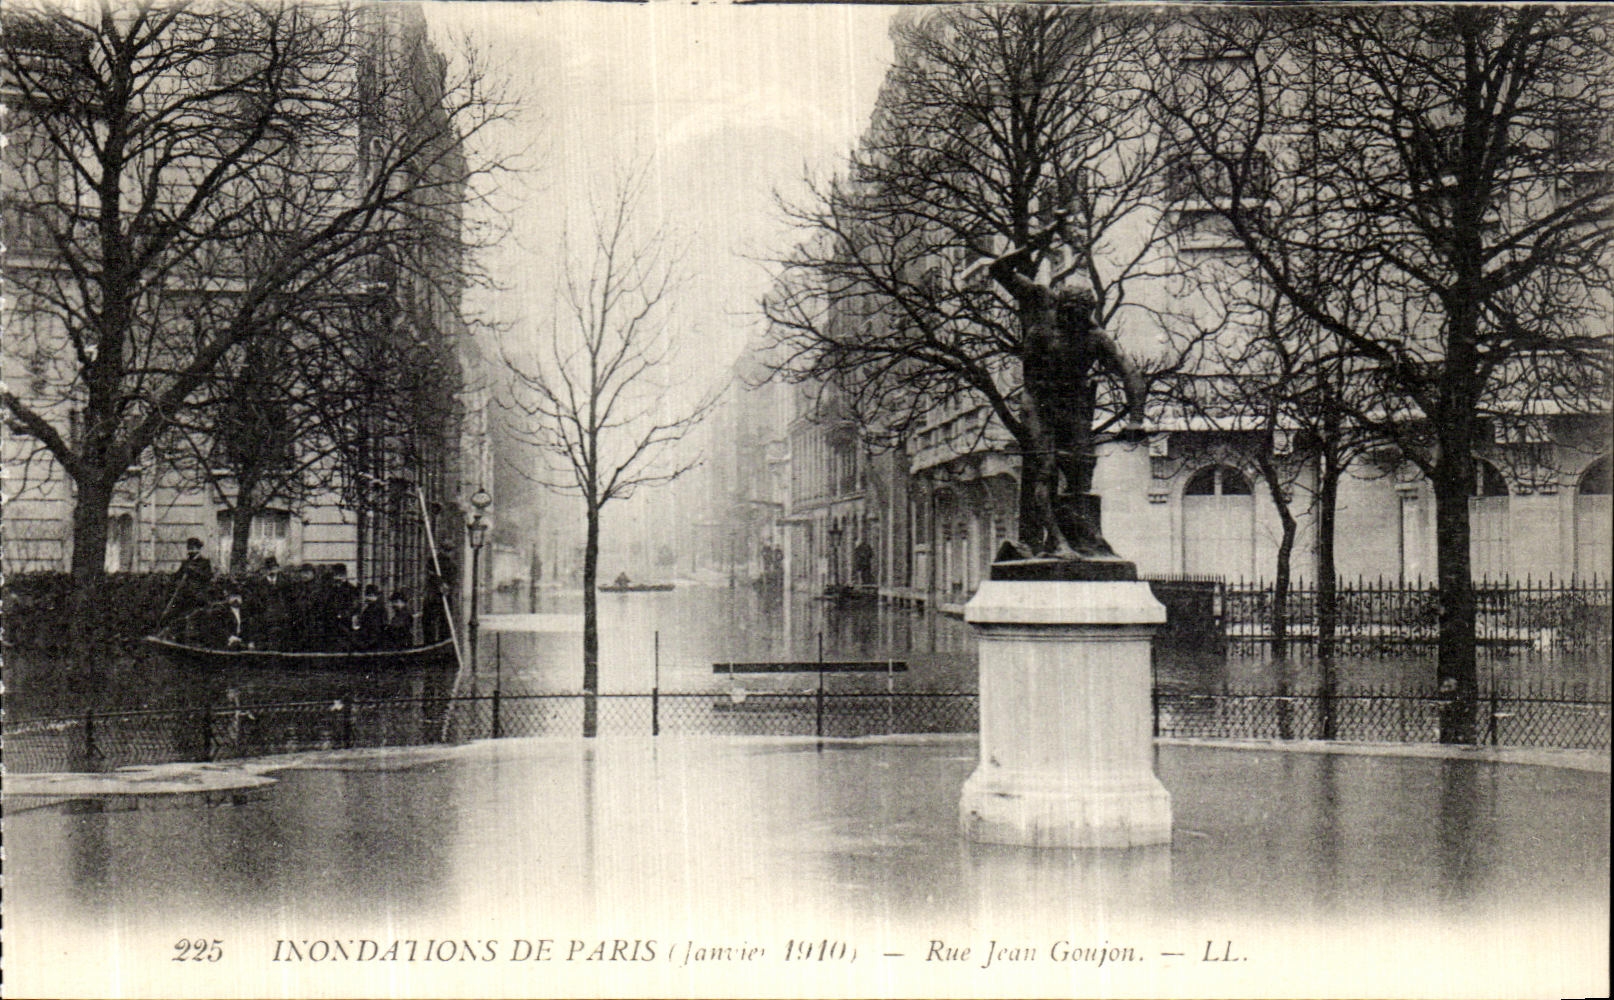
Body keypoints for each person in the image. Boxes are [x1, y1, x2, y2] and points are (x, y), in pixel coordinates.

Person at [979, 212, 1146, 561]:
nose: (1077, 325)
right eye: (1072, 318)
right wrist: (1040, 240)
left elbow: (1129, 372)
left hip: (1073, 406)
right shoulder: (1041, 300)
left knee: (1082, 470)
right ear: (1062, 309)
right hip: (1038, 402)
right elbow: (998, 270)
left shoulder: (1094, 335)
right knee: (1046, 468)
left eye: (1084, 319)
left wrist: (1136, 417)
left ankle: (1085, 539)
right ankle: (1056, 541)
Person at [161, 537, 214, 629]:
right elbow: (177, 575)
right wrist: (168, 576)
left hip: (198, 593)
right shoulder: (186, 562)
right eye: (189, 548)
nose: (191, 550)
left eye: (193, 548)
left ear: (198, 549)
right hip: (184, 592)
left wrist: (194, 571)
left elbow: (207, 577)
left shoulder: (205, 562)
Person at [353, 583, 387, 650]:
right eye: (367, 595)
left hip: (372, 640)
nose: (368, 598)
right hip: (371, 639)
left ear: (376, 596)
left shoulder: (377, 609)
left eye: (370, 595)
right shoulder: (369, 608)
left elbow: (377, 626)